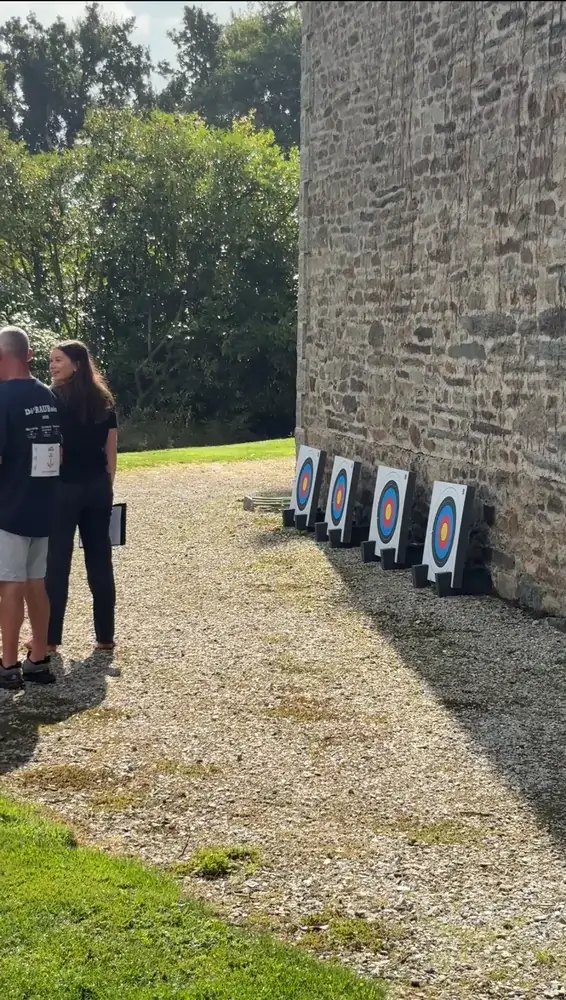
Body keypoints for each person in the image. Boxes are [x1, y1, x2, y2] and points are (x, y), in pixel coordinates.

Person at [44, 340, 117, 653]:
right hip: (98, 486)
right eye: (51, 360)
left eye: (58, 360)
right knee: (100, 560)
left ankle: (50, 639)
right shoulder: (104, 399)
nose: (52, 366)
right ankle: (105, 636)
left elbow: (54, 451)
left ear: (76, 364)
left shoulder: (52, 398)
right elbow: (111, 449)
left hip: (64, 488)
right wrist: (108, 485)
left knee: (56, 564)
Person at [0, 326, 60, 690]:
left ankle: (7, 665)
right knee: (36, 583)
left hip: (9, 507)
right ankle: (38, 657)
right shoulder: (47, 395)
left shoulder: (3, 397)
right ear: (28, 355)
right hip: (42, 505)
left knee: (10, 585)